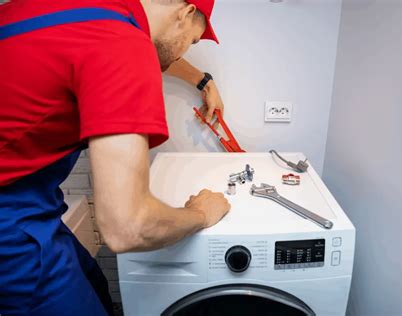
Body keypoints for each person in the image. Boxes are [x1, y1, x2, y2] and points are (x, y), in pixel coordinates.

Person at [0, 0, 231, 315]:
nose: (183, 54)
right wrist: (201, 213)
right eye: (191, 41)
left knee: (94, 283)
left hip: (28, 199)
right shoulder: (124, 44)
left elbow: (156, 49)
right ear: (185, 13)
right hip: (10, 216)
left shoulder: (88, 12)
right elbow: (128, 227)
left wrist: (202, 80)